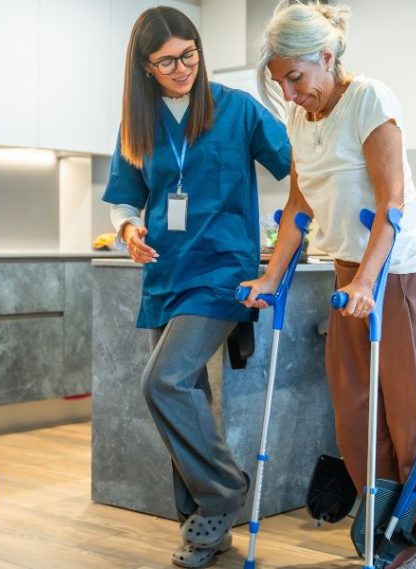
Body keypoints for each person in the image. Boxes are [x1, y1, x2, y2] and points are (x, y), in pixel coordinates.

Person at [239, 3, 416, 568]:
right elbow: (298, 202)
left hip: (402, 275)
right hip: (352, 275)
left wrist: (369, 279)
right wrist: (271, 275)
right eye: (279, 82)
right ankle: (387, 523)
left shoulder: (369, 100)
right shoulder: (298, 118)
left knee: (415, 416)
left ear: (327, 55)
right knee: (358, 412)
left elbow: (392, 203)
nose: (290, 93)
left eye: (296, 77)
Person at [103, 7, 291, 568]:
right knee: (188, 397)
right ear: (145, 67)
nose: (182, 67)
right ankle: (205, 529)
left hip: (222, 273)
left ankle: (221, 491)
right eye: (167, 61)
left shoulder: (237, 110)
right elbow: (123, 197)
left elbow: (298, 166)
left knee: (163, 381)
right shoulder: (137, 123)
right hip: (165, 272)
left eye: (190, 54)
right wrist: (128, 229)